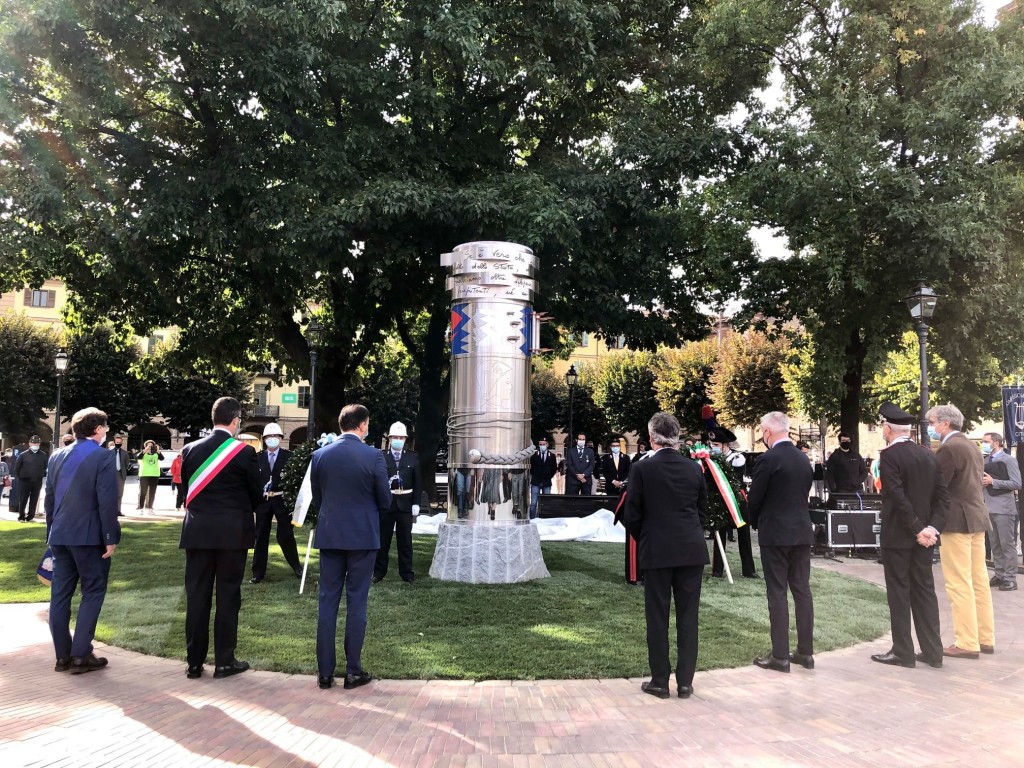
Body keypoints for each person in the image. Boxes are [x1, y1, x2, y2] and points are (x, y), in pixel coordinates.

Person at [623, 412, 708, 699]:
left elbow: (632, 514)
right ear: (678, 437)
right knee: (688, 616)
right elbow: (702, 511)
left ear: (651, 438)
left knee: (657, 616)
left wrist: (646, 538)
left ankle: (660, 680)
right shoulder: (694, 469)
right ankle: (686, 682)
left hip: (657, 549)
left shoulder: (642, 470)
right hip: (691, 548)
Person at [179, 397, 263, 680]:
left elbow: (188, 488)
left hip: (198, 533)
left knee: (197, 598)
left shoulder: (189, 449)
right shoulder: (244, 452)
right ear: (236, 420)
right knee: (228, 597)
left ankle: (193, 662)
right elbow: (256, 494)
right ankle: (225, 662)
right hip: (232, 534)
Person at [312, 404, 392, 690]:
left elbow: (318, 498)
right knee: (357, 601)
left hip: (331, 535)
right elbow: (385, 500)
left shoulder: (320, 455)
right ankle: (353, 671)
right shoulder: (373, 456)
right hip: (362, 537)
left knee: (327, 602)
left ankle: (324, 672)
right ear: (361, 425)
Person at [870, 403, 947, 669]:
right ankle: (933, 651)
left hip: (899, 536)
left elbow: (896, 496)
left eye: (882, 426)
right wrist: (931, 528)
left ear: (888, 428)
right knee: (925, 591)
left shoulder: (889, 456)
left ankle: (903, 651)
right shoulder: (928, 455)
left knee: (899, 593)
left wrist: (917, 528)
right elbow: (942, 498)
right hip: (925, 537)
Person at [44, 408, 120, 674]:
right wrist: (110, 536)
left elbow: (49, 499)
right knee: (93, 592)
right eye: (105, 427)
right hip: (89, 537)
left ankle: (62, 655)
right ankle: (80, 654)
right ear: (98, 429)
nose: (106, 431)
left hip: (60, 535)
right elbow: (107, 500)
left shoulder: (57, 455)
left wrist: (49, 534)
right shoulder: (103, 456)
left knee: (59, 595)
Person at [747, 411, 815, 673]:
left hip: (775, 532)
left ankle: (780, 655)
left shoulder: (768, 459)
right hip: (801, 530)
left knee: (777, 592)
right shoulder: (802, 458)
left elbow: (755, 498)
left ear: (767, 432)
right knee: (802, 591)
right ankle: (805, 652)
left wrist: (754, 521)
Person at [927, 404, 995, 658]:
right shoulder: (971, 446)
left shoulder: (949, 448)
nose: (932, 428)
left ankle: (967, 642)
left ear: (945, 423)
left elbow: (939, 486)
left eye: (933, 423)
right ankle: (984, 637)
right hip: (977, 517)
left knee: (958, 582)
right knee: (979, 581)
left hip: (957, 521)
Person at [248, 423, 302, 583]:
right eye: (269, 437)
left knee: (286, 534)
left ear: (280, 438)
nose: (273, 439)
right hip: (263, 501)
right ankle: (258, 573)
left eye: (276, 436)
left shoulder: (290, 457)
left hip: (282, 500)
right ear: (264, 440)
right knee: (261, 535)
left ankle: (296, 566)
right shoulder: (257, 458)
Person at [373, 421, 422, 585]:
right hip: (387, 504)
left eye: (401, 437)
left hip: (405, 504)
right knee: (382, 540)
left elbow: (418, 482)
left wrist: (416, 503)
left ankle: (407, 573)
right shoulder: (381, 456)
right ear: (390, 438)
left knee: (405, 541)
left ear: (405, 439)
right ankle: (379, 572)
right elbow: (377, 481)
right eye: (395, 437)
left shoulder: (413, 457)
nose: (398, 440)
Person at [707, 426, 758, 579]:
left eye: (716, 445)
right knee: (719, 534)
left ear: (725, 445)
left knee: (743, 534)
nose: (712, 447)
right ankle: (717, 569)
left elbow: (734, 480)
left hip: (736, 500)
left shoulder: (737, 458)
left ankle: (749, 570)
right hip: (720, 501)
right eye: (711, 444)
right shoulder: (710, 459)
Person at [981, 432, 1020, 591]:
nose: (983, 443)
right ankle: (999, 574)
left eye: (985, 441)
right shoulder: (985, 460)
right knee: (995, 543)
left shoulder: (1008, 460)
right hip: (988, 507)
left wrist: (993, 481)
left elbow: (1017, 483)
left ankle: (1010, 578)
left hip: (1004, 508)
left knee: (1006, 544)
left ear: (996, 443)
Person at [14, 435, 48, 522]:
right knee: (23, 499)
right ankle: (21, 516)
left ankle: (30, 517)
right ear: (30, 443)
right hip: (24, 480)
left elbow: (45, 467)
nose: (35, 444)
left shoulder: (43, 455)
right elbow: (17, 468)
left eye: (37, 443)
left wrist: (41, 474)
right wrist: (21, 477)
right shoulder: (23, 455)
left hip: (37, 480)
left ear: (39, 444)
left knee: (34, 499)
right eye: (33, 442)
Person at [528, 437, 557, 519]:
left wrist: (548, 476)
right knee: (533, 503)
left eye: (543, 444)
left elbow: (554, 468)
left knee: (546, 502)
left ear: (547, 445)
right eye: (540, 444)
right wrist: (536, 475)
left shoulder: (552, 456)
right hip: (536, 482)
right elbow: (531, 468)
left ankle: (545, 518)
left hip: (547, 482)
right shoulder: (534, 455)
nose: (542, 446)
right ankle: (532, 519)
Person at [136, 440, 163, 514]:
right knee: (143, 492)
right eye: (148, 445)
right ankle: (141, 508)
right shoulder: (143, 453)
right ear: (145, 446)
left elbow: (162, 458)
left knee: (152, 493)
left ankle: (150, 508)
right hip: (144, 474)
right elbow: (138, 457)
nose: (150, 447)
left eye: (152, 445)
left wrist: (158, 451)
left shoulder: (156, 454)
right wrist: (144, 451)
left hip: (154, 475)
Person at [109, 435, 130, 514]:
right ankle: (111, 510)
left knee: (119, 494)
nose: (118, 444)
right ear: (114, 443)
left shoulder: (125, 453)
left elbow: (127, 464)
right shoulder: (109, 453)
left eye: (120, 443)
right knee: (110, 494)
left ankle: (118, 510)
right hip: (111, 475)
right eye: (117, 442)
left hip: (120, 475)